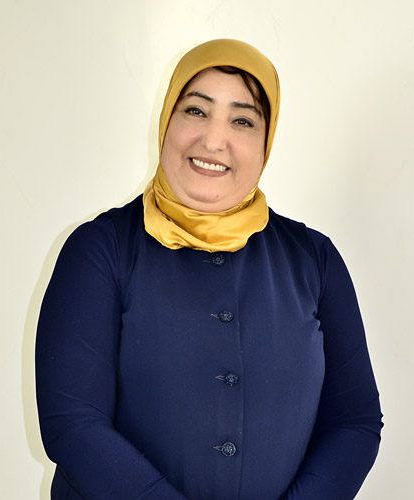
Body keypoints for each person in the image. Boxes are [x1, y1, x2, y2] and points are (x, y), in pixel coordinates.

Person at [36, 39, 383, 500]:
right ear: (167, 121)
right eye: (196, 111)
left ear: (266, 143)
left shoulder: (313, 259)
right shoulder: (100, 249)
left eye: (242, 120)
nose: (214, 140)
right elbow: (73, 425)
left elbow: (355, 422)